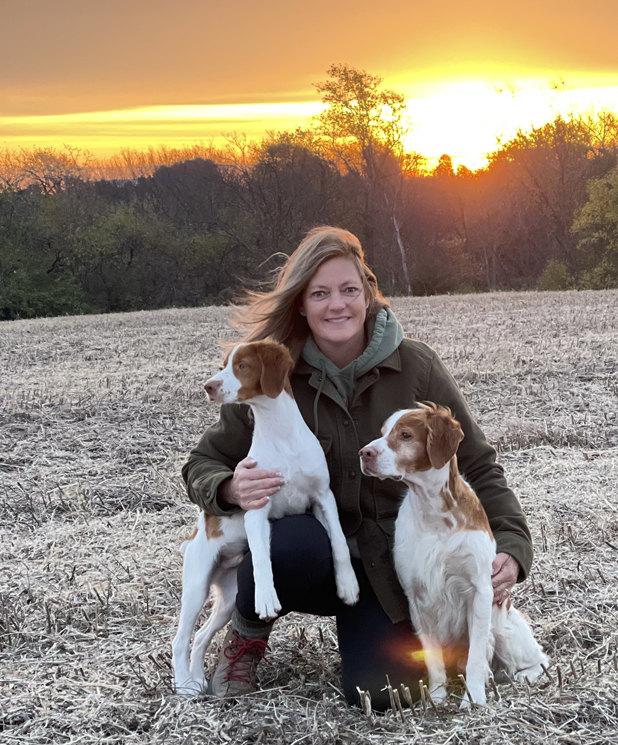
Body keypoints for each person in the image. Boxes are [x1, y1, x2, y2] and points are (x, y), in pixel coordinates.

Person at [182, 226, 533, 708]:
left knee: (384, 693)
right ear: (301, 304)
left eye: (349, 290)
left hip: (392, 564)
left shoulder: (415, 366)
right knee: (287, 541)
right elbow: (203, 462)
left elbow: (477, 464)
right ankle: (244, 638)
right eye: (320, 293)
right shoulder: (272, 373)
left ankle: (453, 634)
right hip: (312, 555)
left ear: (368, 295)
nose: (337, 305)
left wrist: (512, 547)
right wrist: (228, 487)